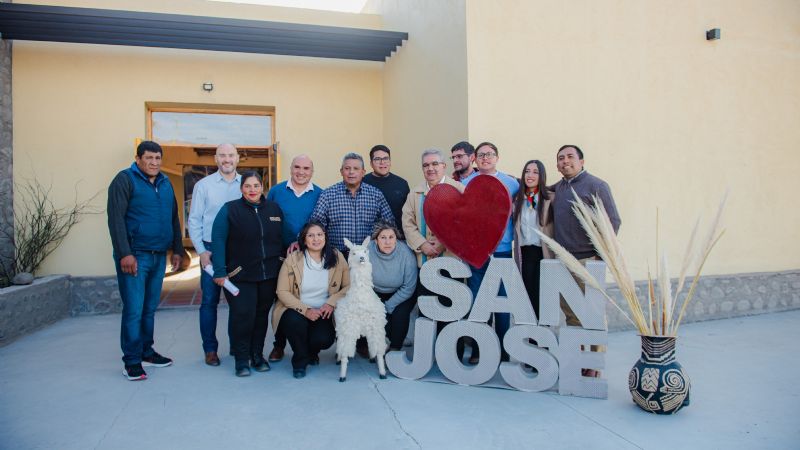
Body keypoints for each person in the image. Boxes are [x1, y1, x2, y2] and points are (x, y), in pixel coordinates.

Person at [107, 140, 183, 381]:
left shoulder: (165, 182)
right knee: (134, 309)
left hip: (159, 254)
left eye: (158, 158)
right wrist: (124, 253)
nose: (154, 163)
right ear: (138, 159)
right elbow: (115, 219)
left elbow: (173, 217)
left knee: (149, 309)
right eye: (149, 158)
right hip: (135, 255)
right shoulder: (124, 180)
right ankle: (131, 361)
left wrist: (178, 250)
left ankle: (146, 352)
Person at [551, 144, 621, 377]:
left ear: (582, 161)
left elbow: (613, 222)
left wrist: (600, 257)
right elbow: (534, 186)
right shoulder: (559, 188)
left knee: (592, 315)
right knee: (571, 315)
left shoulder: (596, 186)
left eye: (570, 157)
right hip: (564, 261)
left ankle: (594, 364)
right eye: (560, 158)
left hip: (588, 261)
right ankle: (579, 360)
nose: (565, 161)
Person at [401, 149, 476, 363]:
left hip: (451, 263)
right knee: (427, 309)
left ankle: (453, 357)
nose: (430, 168)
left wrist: (444, 243)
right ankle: (427, 356)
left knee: (452, 310)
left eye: (435, 164)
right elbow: (408, 223)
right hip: (425, 262)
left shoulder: (460, 190)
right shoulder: (414, 194)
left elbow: (466, 223)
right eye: (426, 165)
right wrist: (423, 244)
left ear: (444, 166)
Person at [210, 171, 283, 377]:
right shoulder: (230, 210)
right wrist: (220, 270)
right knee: (243, 317)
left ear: (262, 187)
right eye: (248, 186)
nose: (252, 190)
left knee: (261, 318)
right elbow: (218, 240)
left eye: (256, 186)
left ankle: (257, 356)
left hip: (269, 275)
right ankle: (241, 360)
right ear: (241, 188)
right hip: (241, 276)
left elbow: (281, 237)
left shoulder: (274, 209)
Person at [187, 143, 241, 367]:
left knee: (237, 301)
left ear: (237, 159)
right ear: (216, 159)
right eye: (222, 156)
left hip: (237, 249)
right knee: (209, 301)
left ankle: (238, 347)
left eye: (230, 155)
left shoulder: (246, 184)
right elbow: (194, 220)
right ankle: (210, 349)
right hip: (211, 248)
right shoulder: (203, 186)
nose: (227, 159)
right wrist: (201, 252)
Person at [464, 142, 519, 360]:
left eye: (490, 154)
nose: (485, 158)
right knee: (478, 301)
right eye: (481, 155)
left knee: (502, 301)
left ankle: (504, 350)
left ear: (497, 157)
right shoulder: (466, 184)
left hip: (503, 251)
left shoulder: (511, 184)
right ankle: (480, 349)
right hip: (477, 253)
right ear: (474, 159)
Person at [265, 154, 322, 363]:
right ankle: (279, 345)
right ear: (291, 168)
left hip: (309, 256)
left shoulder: (319, 193)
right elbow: (267, 219)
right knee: (281, 299)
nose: (301, 172)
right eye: (297, 167)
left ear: (312, 172)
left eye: (306, 168)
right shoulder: (277, 191)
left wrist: (304, 241)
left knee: (306, 298)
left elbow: (321, 223)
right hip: (280, 255)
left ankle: (309, 346)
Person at [274, 222, 349, 378]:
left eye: (320, 234)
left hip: (323, 310)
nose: (316, 239)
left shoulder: (336, 256)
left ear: (325, 237)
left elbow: (348, 286)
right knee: (295, 324)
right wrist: (306, 310)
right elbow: (282, 291)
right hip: (295, 308)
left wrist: (331, 302)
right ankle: (300, 361)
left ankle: (311, 352)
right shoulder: (293, 259)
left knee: (325, 339)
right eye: (311, 235)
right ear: (304, 239)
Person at [310, 152, 395, 258]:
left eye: (356, 168)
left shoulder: (376, 195)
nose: (351, 172)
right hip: (337, 257)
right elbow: (315, 224)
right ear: (341, 171)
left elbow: (389, 223)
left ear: (363, 172)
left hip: (369, 257)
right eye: (347, 168)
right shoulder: (328, 195)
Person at [365, 222, 418, 352]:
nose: (387, 242)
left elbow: (409, 287)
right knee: (379, 316)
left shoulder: (406, 253)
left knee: (400, 314)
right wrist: (377, 304)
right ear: (376, 240)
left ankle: (395, 348)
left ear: (396, 238)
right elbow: (362, 280)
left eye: (391, 237)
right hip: (375, 292)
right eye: (383, 237)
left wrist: (388, 305)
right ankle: (384, 341)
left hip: (402, 292)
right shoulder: (367, 251)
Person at [512, 160, 554, 319]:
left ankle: (544, 337)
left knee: (543, 297)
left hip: (543, 253)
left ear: (541, 176)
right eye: (527, 171)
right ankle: (530, 337)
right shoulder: (517, 199)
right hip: (524, 253)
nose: (530, 175)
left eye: (535, 172)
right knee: (527, 296)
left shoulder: (550, 198)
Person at [363, 145, 410, 240]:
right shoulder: (362, 182)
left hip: (398, 239)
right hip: (369, 240)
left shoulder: (402, 184)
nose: (382, 162)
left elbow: (408, 215)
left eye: (385, 158)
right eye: (377, 159)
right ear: (371, 163)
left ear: (390, 161)